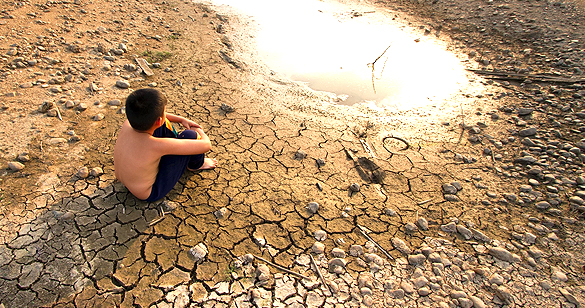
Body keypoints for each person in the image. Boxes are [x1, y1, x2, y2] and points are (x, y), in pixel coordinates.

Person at [114, 88, 217, 202]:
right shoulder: (156, 145)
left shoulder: (128, 123)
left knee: (161, 124)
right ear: (158, 119)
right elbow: (206, 145)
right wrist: (199, 130)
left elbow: (158, 117)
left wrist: (181, 119)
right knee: (190, 135)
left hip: (127, 181)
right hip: (150, 192)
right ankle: (196, 165)